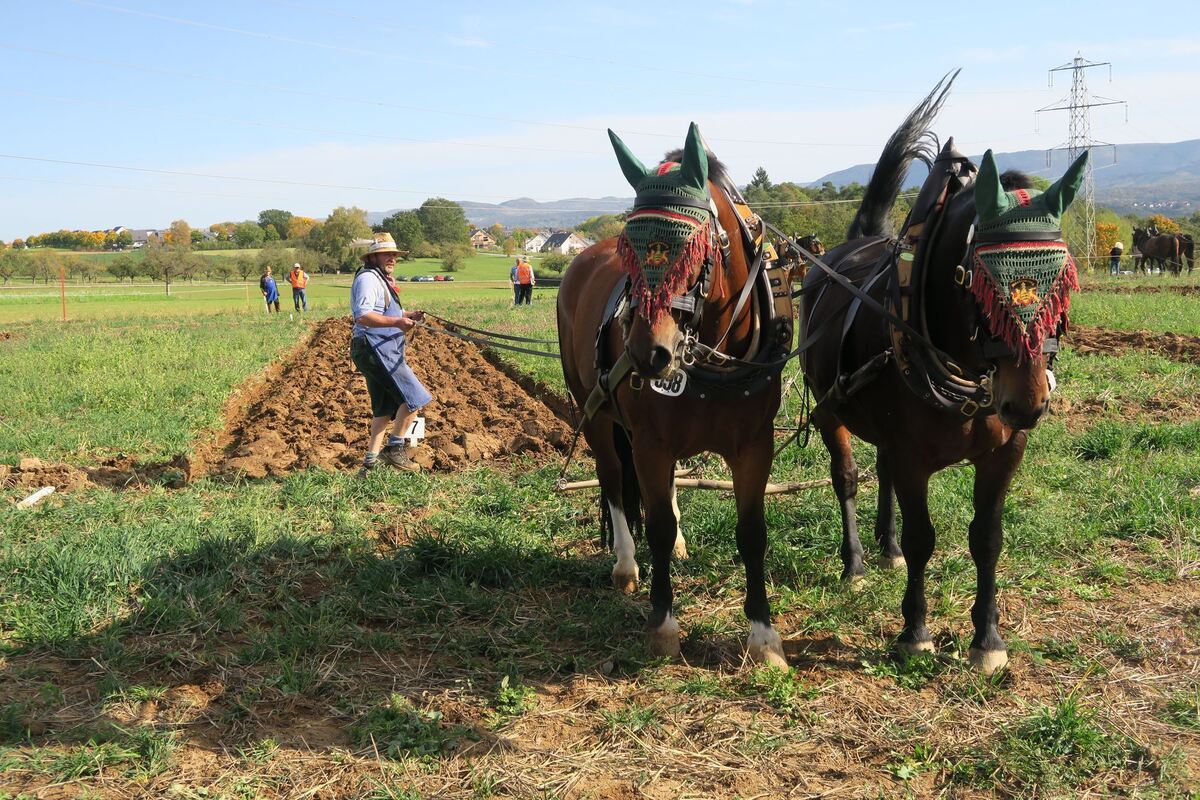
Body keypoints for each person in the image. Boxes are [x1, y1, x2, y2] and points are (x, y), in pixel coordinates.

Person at [349, 232, 432, 476]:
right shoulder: (368, 279)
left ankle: (369, 464)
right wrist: (397, 322)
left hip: (374, 348)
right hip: (376, 348)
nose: (393, 258)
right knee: (415, 398)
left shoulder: (379, 278)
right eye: (387, 254)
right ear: (373, 257)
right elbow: (362, 315)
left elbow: (382, 309)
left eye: (394, 254)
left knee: (384, 410)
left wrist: (407, 315)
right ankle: (395, 449)